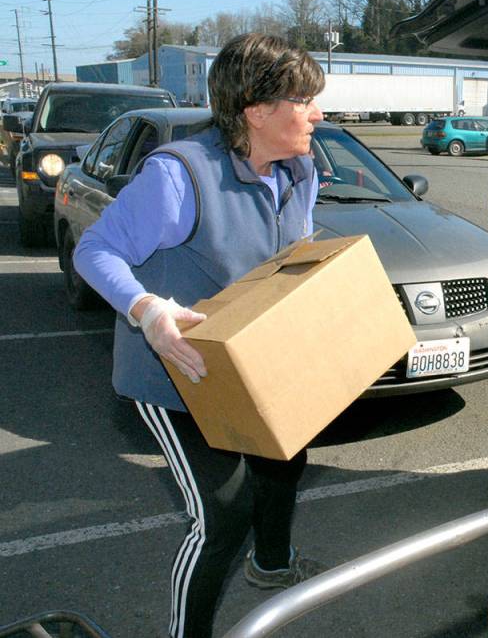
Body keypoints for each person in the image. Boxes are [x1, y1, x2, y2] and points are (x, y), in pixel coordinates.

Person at [74, 33, 327, 638]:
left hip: (247, 360)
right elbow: (95, 249)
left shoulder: (301, 168)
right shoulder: (179, 175)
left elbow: (292, 254)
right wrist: (148, 310)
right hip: (174, 372)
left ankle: (272, 566)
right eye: (305, 100)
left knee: (286, 458)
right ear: (257, 110)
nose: (319, 114)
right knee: (223, 515)